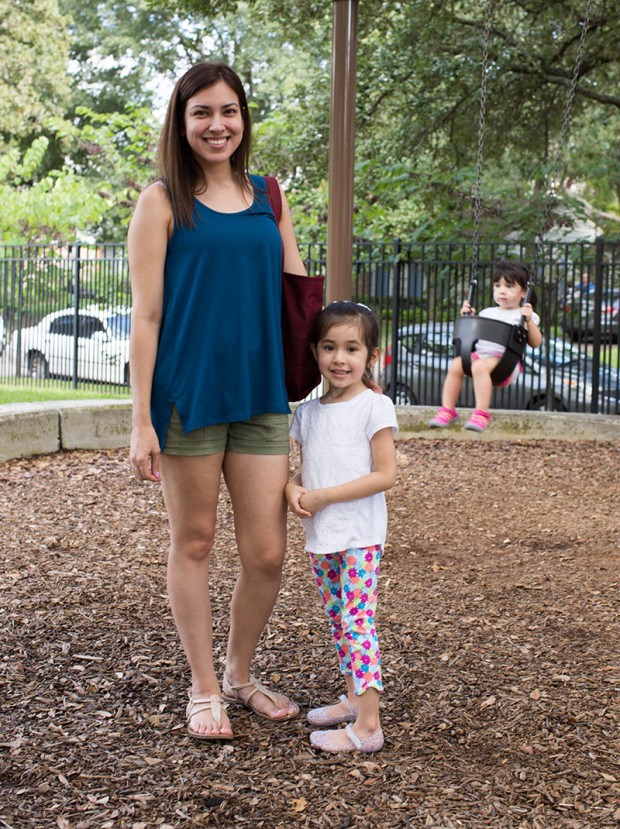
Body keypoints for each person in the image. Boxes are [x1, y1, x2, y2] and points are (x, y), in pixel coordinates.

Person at [128, 61, 305, 740]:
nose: (216, 124)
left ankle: (239, 670)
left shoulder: (269, 195)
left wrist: (350, 368)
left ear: (243, 119)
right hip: (188, 395)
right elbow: (146, 317)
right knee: (194, 540)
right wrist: (140, 418)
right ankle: (204, 687)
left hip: (260, 395)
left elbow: (296, 298)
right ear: (181, 121)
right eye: (201, 112)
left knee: (266, 553)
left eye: (228, 111)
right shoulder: (164, 199)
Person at [286, 301, 398, 753]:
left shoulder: (374, 405)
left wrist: (324, 495)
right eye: (329, 347)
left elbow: (385, 474)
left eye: (352, 348)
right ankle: (354, 698)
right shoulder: (308, 413)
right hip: (322, 535)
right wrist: (291, 489)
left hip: (359, 534)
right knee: (340, 621)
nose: (339, 358)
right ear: (314, 351)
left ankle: (368, 728)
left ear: (370, 355)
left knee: (357, 622)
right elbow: (304, 471)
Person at [428, 260, 542, 432]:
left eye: (509, 286)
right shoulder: (487, 312)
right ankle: (447, 410)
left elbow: (536, 342)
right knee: (456, 364)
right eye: (498, 285)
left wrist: (528, 321)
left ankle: (481, 413)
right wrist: (469, 318)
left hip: (505, 364)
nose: (502, 291)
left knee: (480, 366)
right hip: (480, 358)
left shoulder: (526, 314)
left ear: (524, 293)